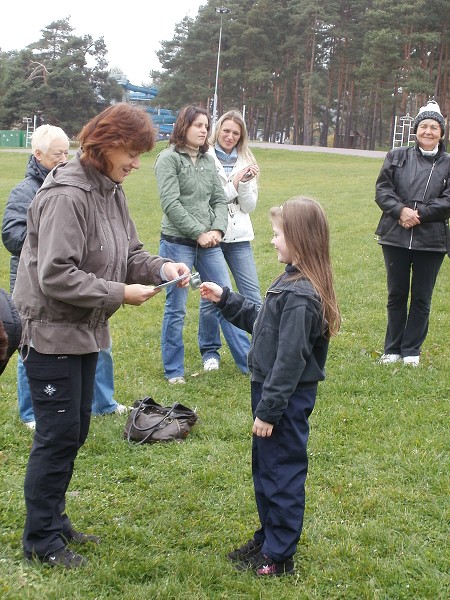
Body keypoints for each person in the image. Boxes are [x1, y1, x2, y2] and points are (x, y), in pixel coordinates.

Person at [12, 103, 190, 569]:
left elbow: (129, 251)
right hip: (51, 332)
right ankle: (40, 541)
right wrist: (119, 293)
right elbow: (55, 275)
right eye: (131, 153)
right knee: (56, 436)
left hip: (86, 331)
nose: (135, 163)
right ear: (106, 143)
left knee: (75, 430)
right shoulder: (67, 195)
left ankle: (55, 519)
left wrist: (161, 267)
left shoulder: (111, 190)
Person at [200, 197, 341, 577]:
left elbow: (290, 360)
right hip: (271, 394)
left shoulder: (300, 295)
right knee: (266, 471)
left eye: (278, 234)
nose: (272, 241)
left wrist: (269, 410)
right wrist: (226, 299)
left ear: (300, 239)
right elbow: (264, 323)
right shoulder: (290, 279)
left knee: (282, 474)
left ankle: (279, 556)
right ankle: (269, 538)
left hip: (283, 399)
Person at [1, 124, 127, 429]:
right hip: (32, 284)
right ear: (38, 154)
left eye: (65, 152)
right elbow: (11, 233)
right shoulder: (26, 191)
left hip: (81, 281)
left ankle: (104, 401)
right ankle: (31, 412)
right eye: (57, 154)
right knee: (31, 348)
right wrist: (53, 236)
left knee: (98, 344)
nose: (64, 159)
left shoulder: (85, 189)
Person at [154, 105, 251, 384]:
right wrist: (198, 232)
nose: (204, 131)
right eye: (198, 125)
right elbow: (171, 204)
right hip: (177, 243)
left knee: (226, 297)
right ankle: (174, 371)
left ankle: (249, 363)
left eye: (206, 126)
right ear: (183, 127)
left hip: (210, 242)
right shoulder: (168, 159)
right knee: (177, 307)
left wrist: (218, 229)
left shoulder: (209, 161)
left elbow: (219, 199)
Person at [375, 99, 450, 367]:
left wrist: (418, 215)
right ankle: (392, 348)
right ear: (416, 129)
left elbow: (448, 201)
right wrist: (400, 211)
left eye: (434, 127)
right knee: (396, 294)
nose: (428, 131)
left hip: (431, 241)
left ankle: (411, 351)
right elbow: (383, 190)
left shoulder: (448, 163)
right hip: (395, 236)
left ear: (441, 132)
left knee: (421, 296)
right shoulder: (396, 156)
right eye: (424, 126)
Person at [198, 110, 262, 372]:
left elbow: (249, 206)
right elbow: (210, 199)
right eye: (226, 131)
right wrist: (235, 183)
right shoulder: (205, 157)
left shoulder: (246, 158)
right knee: (212, 296)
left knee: (252, 296)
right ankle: (210, 351)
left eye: (236, 133)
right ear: (218, 130)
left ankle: (259, 349)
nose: (230, 136)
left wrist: (244, 183)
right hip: (212, 234)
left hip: (239, 236)